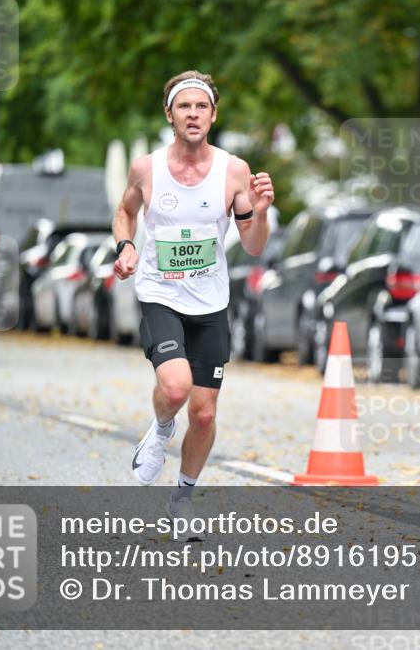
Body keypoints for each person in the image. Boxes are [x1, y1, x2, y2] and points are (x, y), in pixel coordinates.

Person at [112, 71, 273, 523]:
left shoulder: (234, 171)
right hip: (160, 293)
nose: (193, 114)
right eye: (184, 107)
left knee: (203, 414)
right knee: (177, 387)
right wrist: (125, 246)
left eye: (201, 107)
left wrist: (259, 213)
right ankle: (161, 429)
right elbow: (125, 211)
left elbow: (254, 243)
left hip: (210, 302)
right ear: (170, 115)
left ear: (213, 114)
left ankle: (182, 498)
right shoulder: (147, 168)